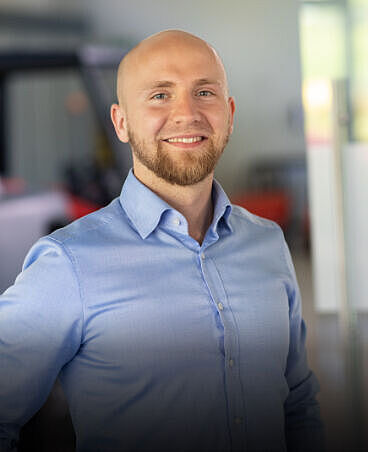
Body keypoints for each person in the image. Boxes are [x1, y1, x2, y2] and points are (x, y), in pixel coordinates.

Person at [0, 30, 322, 452]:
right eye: (160, 95)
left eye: (204, 92)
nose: (186, 113)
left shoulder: (267, 243)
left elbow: (297, 401)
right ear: (121, 122)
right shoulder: (69, 263)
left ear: (229, 113)